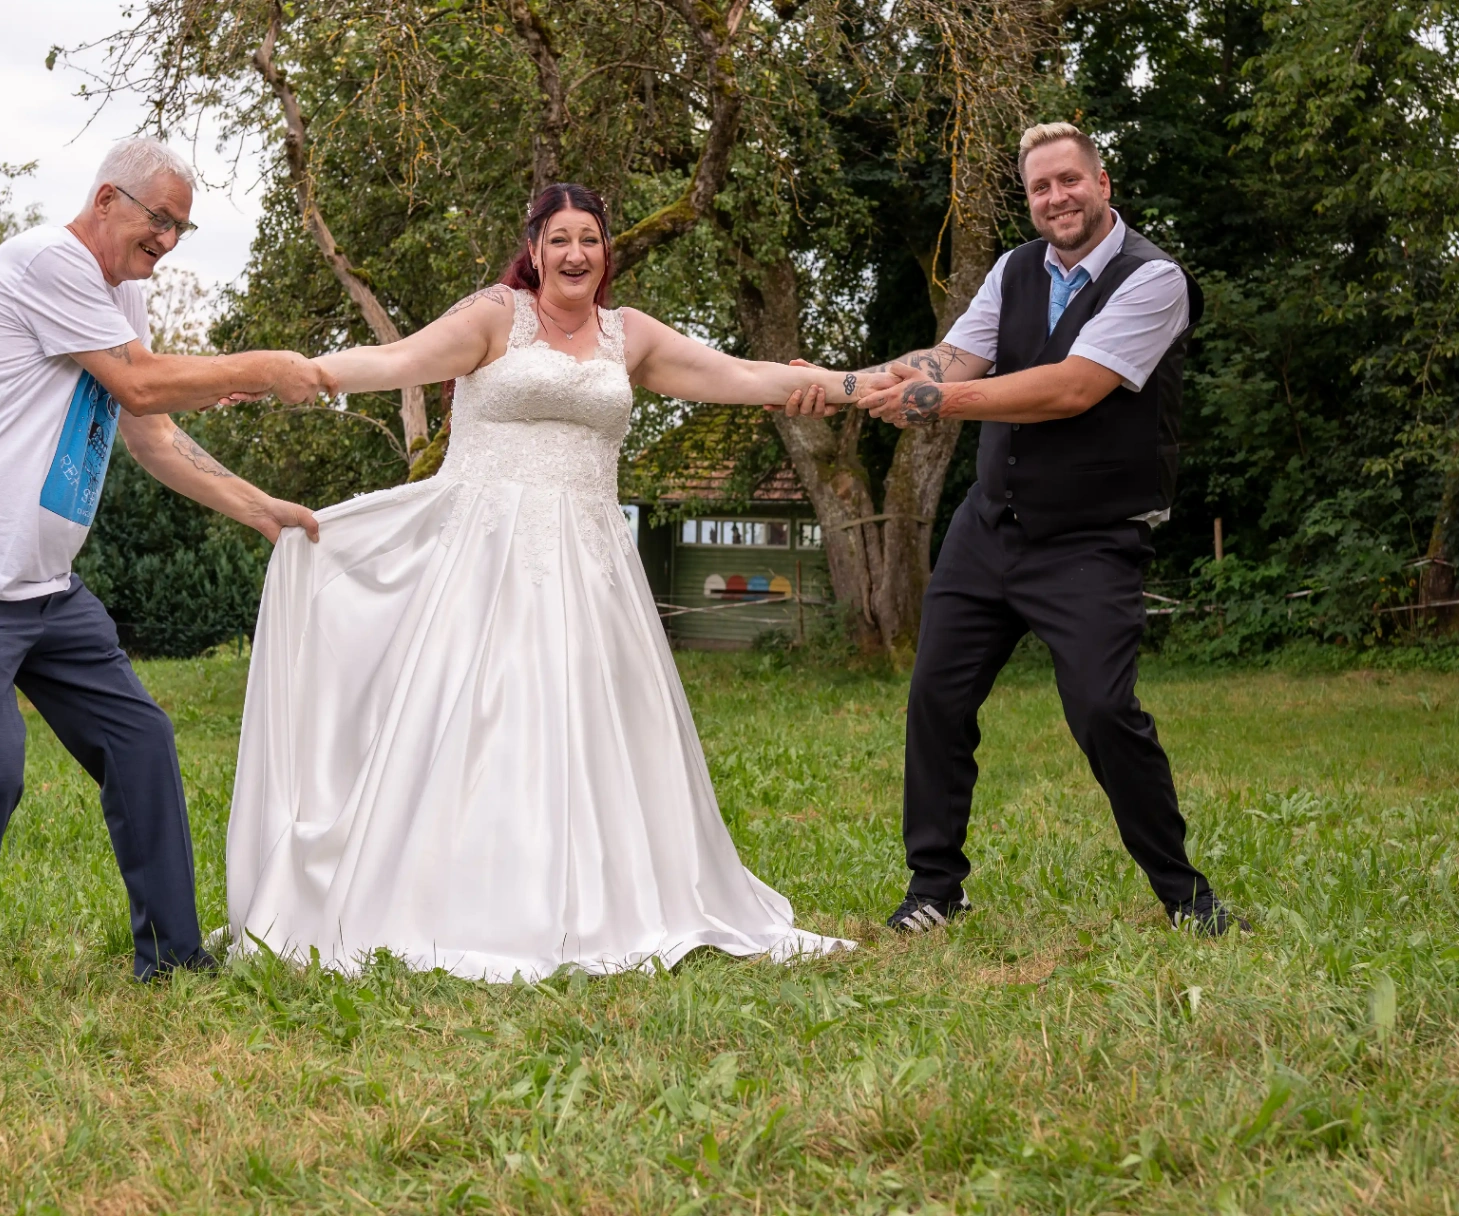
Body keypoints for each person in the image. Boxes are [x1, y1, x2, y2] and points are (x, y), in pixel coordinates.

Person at [224, 183, 886, 980]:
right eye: (560, 239)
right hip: (483, 560)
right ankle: (459, 899)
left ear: (607, 251)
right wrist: (292, 373)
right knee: (480, 720)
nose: (576, 254)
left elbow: (737, 376)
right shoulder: (495, 318)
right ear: (533, 248)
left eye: (591, 239)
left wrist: (855, 384)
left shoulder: (628, 336)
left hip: (593, 566)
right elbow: (394, 360)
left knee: (596, 724)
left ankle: (605, 902)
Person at [0, 138, 332, 1018]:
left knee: (142, 741)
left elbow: (149, 429)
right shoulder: (46, 261)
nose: (167, 241)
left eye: (181, 228)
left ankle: (173, 959)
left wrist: (258, 508)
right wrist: (263, 368)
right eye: (157, 219)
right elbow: (141, 382)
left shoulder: (118, 293)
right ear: (105, 199)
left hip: (44, 592)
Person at [783, 122, 1243, 936]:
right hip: (989, 527)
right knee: (935, 697)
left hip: (1092, 538)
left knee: (1104, 712)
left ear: (1104, 185)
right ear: (1028, 200)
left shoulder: (1155, 279)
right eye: (1040, 187)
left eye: (1070, 181)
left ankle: (1185, 896)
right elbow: (952, 362)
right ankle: (936, 886)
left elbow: (1071, 388)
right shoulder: (1014, 269)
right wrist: (845, 384)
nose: (1057, 198)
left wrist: (938, 404)